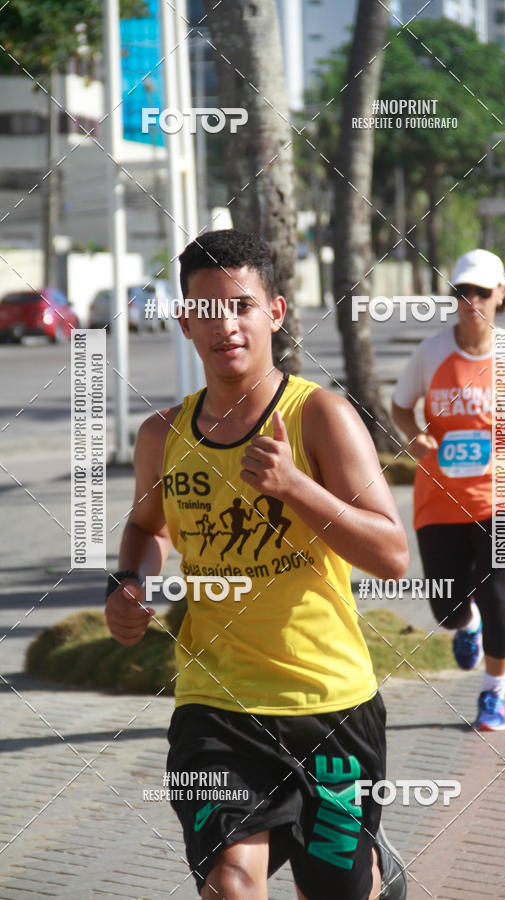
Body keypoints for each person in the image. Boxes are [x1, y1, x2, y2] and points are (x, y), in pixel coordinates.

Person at [105, 229, 410, 899]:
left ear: (273, 312)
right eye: (207, 310)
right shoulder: (163, 436)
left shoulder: (320, 417)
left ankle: (373, 870)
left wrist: (297, 488)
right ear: (185, 320)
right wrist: (129, 582)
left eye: (241, 306)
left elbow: (391, 554)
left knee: (333, 891)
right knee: (231, 882)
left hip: (330, 706)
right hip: (217, 708)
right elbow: (145, 527)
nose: (226, 325)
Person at [392, 249, 505, 732]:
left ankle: (493, 694)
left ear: (501, 292)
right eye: (463, 292)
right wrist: (414, 436)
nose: (472, 301)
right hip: (438, 499)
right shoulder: (431, 352)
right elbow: (401, 408)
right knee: (446, 606)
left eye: (482, 291)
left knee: (499, 597)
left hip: (503, 496)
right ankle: (467, 626)